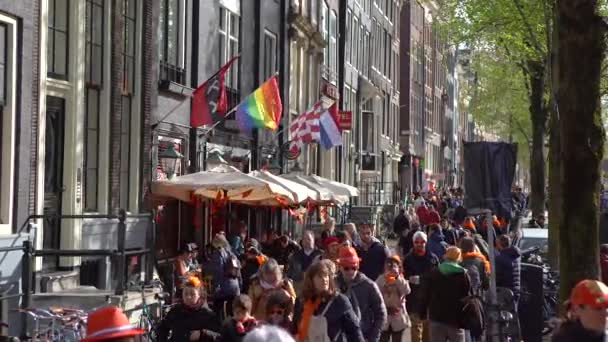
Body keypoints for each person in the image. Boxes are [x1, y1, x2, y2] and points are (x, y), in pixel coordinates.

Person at [293, 259, 365, 342]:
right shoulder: (301, 301)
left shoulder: (339, 301)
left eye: (326, 275)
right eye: (320, 276)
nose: (324, 279)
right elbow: (295, 329)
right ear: (311, 280)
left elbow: (354, 332)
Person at [336, 246, 387, 342]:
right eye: (346, 268)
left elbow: (381, 313)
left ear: (358, 266)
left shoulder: (369, 285)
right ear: (339, 267)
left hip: (363, 336)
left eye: (354, 267)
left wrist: (373, 338)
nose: (350, 271)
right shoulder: (332, 285)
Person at [421, 247, 471, 342]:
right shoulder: (463, 274)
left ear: (445, 256)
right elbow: (468, 297)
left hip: (437, 316)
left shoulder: (435, 272)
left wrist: (422, 312)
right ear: (459, 258)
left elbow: (426, 294)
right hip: (456, 319)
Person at [158, 276, 221, 342]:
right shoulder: (176, 311)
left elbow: (218, 336)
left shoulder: (208, 314)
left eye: (192, 294)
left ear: (199, 295)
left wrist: (202, 334)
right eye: (185, 294)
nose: (188, 297)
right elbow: (163, 328)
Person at [404, 231, 439, 342]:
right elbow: (404, 275)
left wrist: (422, 279)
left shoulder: (433, 258)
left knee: (428, 331)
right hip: (414, 299)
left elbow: (436, 276)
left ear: (426, 242)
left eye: (422, 242)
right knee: (415, 330)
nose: (419, 244)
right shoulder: (408, 259)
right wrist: (410, 278)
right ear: (413, 243)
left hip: (429, 300)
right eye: (417, 242)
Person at [376, 255, 412, 342]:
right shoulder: (380, 279)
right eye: (389, 265)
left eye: (394, 265)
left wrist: (397, 278)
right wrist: (386, 279)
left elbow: (407, 291)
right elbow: (375, 292)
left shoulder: (401, 280)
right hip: (385, 317)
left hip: (398, 317)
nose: (391, 268)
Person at [287, 230, 322, 295]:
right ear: (302, 241)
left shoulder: (320, 255)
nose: (306, 241)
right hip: (298, 288)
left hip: (315, 287)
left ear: (313, 241)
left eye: (309, 239)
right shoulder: (295, 256)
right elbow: (289, 272)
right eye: (304, 239)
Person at [495, 234, 521, 303]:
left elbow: (498, 277)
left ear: (500, 244)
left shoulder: (500, 258)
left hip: (505, 292)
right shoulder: (516, 256)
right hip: (516, 290)